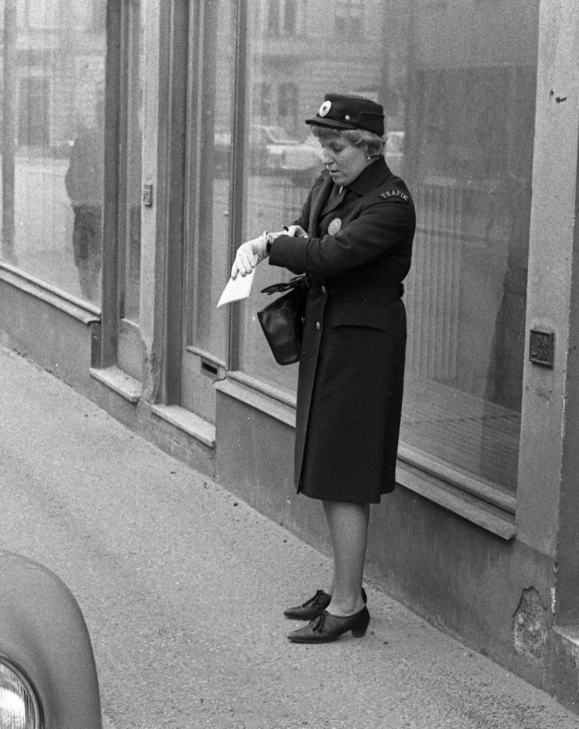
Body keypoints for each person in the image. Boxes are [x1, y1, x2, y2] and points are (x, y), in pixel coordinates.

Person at [231, 93, 416, 644]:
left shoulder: (390, 202)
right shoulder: (332, 186)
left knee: (345, 475)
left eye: (336, 147)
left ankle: (348, 604)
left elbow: (330, 256)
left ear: (369, 147)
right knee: (332, 469)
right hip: (328, 338)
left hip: (362, 351)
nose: (326, 157)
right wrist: (286, 238)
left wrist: (271, 245)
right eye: (323, 145)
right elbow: (306, 232)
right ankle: (343, 587)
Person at [64, 101, 105, 301]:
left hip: (87, 212)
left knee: (86, 266)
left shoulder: (85, 141)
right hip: (96, 212)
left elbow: (71, 179)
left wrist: (80, 205)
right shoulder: (132, 139)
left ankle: (90, 304)